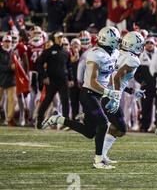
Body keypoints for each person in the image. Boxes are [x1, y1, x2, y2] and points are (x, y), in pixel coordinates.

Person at [42, 26, 122, 169]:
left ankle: (58, 119)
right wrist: (109, 93)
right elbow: (92, 81)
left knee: (90, 132)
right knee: (104, 124)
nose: (118, 42)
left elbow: (109, 76)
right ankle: (98, 161)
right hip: (89, 94)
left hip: (99, 94)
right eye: (115, 40)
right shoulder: (95, 54)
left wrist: (114, 90)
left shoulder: (114, 52)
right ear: (107, 40)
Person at [102, 31, 146, 164]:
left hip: (105, 93)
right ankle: (100, 154)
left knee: (115, 127)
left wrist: (131, 91)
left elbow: (117, 78)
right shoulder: (133, 59)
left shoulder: (118, 53)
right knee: (121, 129)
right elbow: (117, 77)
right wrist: (115, 98)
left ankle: (101, 154)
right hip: (110, 96)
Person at [35, 32, 73, 129]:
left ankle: (66, 123)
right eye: (58, 37)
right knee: (47, 100)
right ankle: (39, 121)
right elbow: (38, 64)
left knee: (65, 100)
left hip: (63, 80)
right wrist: (44, 76)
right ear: (54, 39)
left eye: (61, 37)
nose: (60, 39)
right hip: (51, 80)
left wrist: (70, 79)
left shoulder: (66, 52)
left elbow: (69, 67)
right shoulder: (48, 51)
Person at [0, 35, 18, 126]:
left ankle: (10, 118)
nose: (7, 43)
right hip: (1, 79)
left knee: (12, 100)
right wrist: (10, 68)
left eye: (9, 42)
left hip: (11, 79)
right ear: (2, 42)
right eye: (6, 42)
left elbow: (17, 66)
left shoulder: (14, 53)